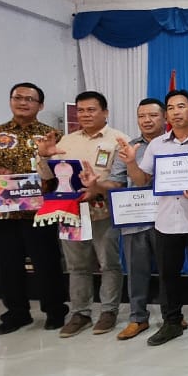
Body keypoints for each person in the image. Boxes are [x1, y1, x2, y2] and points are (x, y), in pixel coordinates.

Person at [118, 89, 188, 348]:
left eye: (181, 106)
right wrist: (131, 163)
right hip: (165, 221)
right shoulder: (157, 144)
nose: (175, 112)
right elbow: (143, 180)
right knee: (168, 276)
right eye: (171, 107)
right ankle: (171, 322)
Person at [0, 83, 67, 335]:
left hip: (41, 211)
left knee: (47, 263)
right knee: (8, 265)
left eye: (30, 99)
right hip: (4, 211)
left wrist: (48, 165)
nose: (23, 103)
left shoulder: (52, 135)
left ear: (40, 105)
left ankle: (54, 310)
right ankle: (16, 312)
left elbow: (64, 176)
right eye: (18, 98)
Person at [39, 91, 125, 339]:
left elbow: (122, 181)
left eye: (91, 110)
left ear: (105, 112)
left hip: (104, 211)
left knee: (109, 263)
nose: (85, 115)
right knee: (77, 265)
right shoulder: (65, 141)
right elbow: (48, 178)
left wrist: (96, 189)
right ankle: (80, 313)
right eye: (81, 110)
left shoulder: (118, 140)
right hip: (71, 212)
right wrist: (44, 156)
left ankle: (109, 311)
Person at [107, 98, 165, 340]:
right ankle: (137, 318)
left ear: (164, 118)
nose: (147, 120)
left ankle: (172, 315)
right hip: (135, 217)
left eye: (152, 115)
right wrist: (95, 185)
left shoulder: (172, 145)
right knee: (136, 271)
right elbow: (116, 182)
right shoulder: (127, 148)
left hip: (167, 219)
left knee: (168, 270)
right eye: (142, 116)